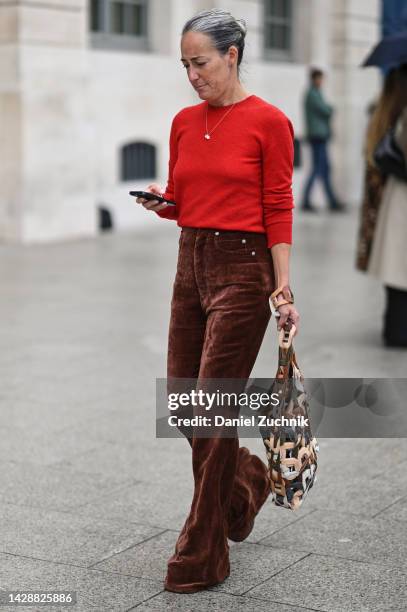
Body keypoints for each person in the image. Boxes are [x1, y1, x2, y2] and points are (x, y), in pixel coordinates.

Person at [134, 8, 299, 593]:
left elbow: (278, 205)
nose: (191, 75)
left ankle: (202, 549)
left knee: (212, 403)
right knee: (187, 408)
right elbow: (185, 196)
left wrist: (282, 286)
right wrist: (163, 202)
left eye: (200, 62)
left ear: (232, 55)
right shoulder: (182, 121)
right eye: (184, 64)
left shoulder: (270, 122)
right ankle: (245, 480)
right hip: (190, 263)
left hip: (245, 269)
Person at [356, 64, 407, 347]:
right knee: (401, 269)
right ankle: (398, 332)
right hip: (400, 198)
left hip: (391, 196)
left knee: (396, 270)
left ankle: (394, 328)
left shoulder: (384, 111)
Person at [301, 67, 346, 212]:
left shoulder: (315, 93)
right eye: (320, 78)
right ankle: (307, 201)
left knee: (324, 169)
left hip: (320, 136)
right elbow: (326, 110)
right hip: (317, 136)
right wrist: (330, 109)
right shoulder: (312, 94)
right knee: (318, 169)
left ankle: (332, 201)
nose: (322, 81)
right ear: (314, 79)